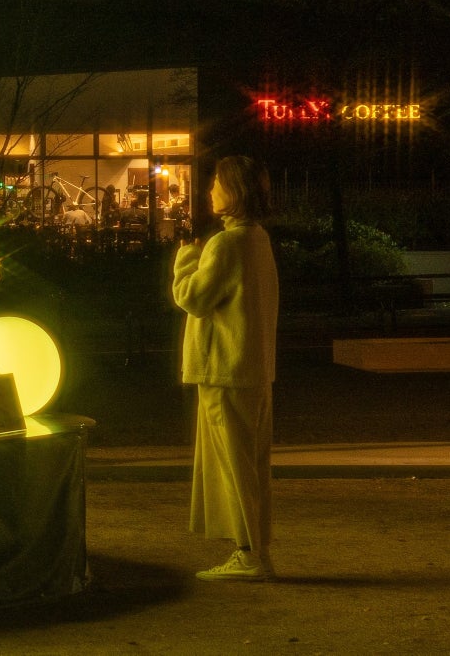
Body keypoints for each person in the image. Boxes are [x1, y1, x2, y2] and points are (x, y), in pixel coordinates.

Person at [172, 155, 280, 581]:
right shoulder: (258, 239)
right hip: (254, 367)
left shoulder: (224, 244)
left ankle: (248, 554)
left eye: (216, 182)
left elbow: (193, 298)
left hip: (223, 368)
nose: (209, 190)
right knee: (253, 465)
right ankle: (258, 550)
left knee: (231, 466)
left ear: (233, 190)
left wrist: (184, 260)